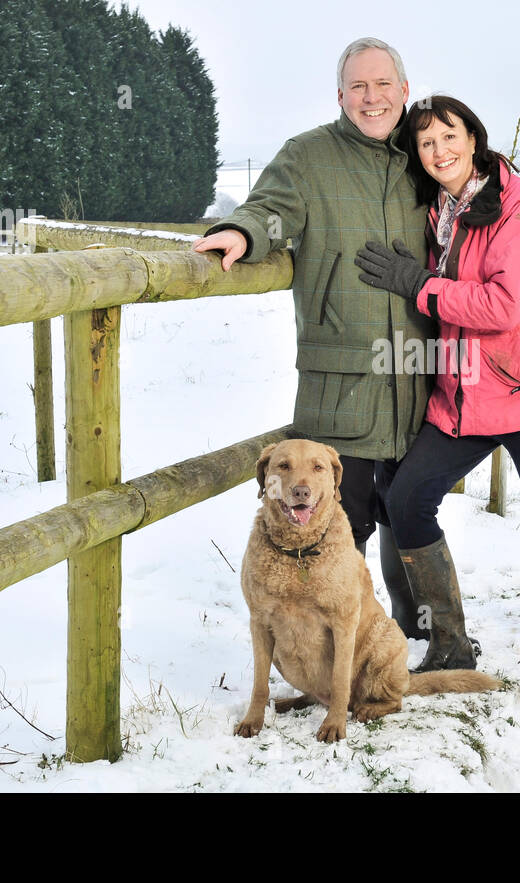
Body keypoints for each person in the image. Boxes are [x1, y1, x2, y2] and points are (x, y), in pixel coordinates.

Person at [354, 95, 520, 726]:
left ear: (474, 136)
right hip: (463, 395)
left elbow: (504, 306)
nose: (439, 151)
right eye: (426, 142)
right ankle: (448, 642)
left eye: (449, 136)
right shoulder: (438, 209)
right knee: (406, 497)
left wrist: (419, 285)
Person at [191, 38, 434, 642]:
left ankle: (415, 630)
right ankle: (319, 644)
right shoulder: (309, 155)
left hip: (416, 368)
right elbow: (270, 209)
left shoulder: (424, 155)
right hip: (339, 377)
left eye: (383, 85)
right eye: (358, 86)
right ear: (341, 95)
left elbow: (478, 206)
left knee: (410, 508)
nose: (371, 98)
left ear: (404, 90)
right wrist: (242, 234)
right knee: (336, 519)